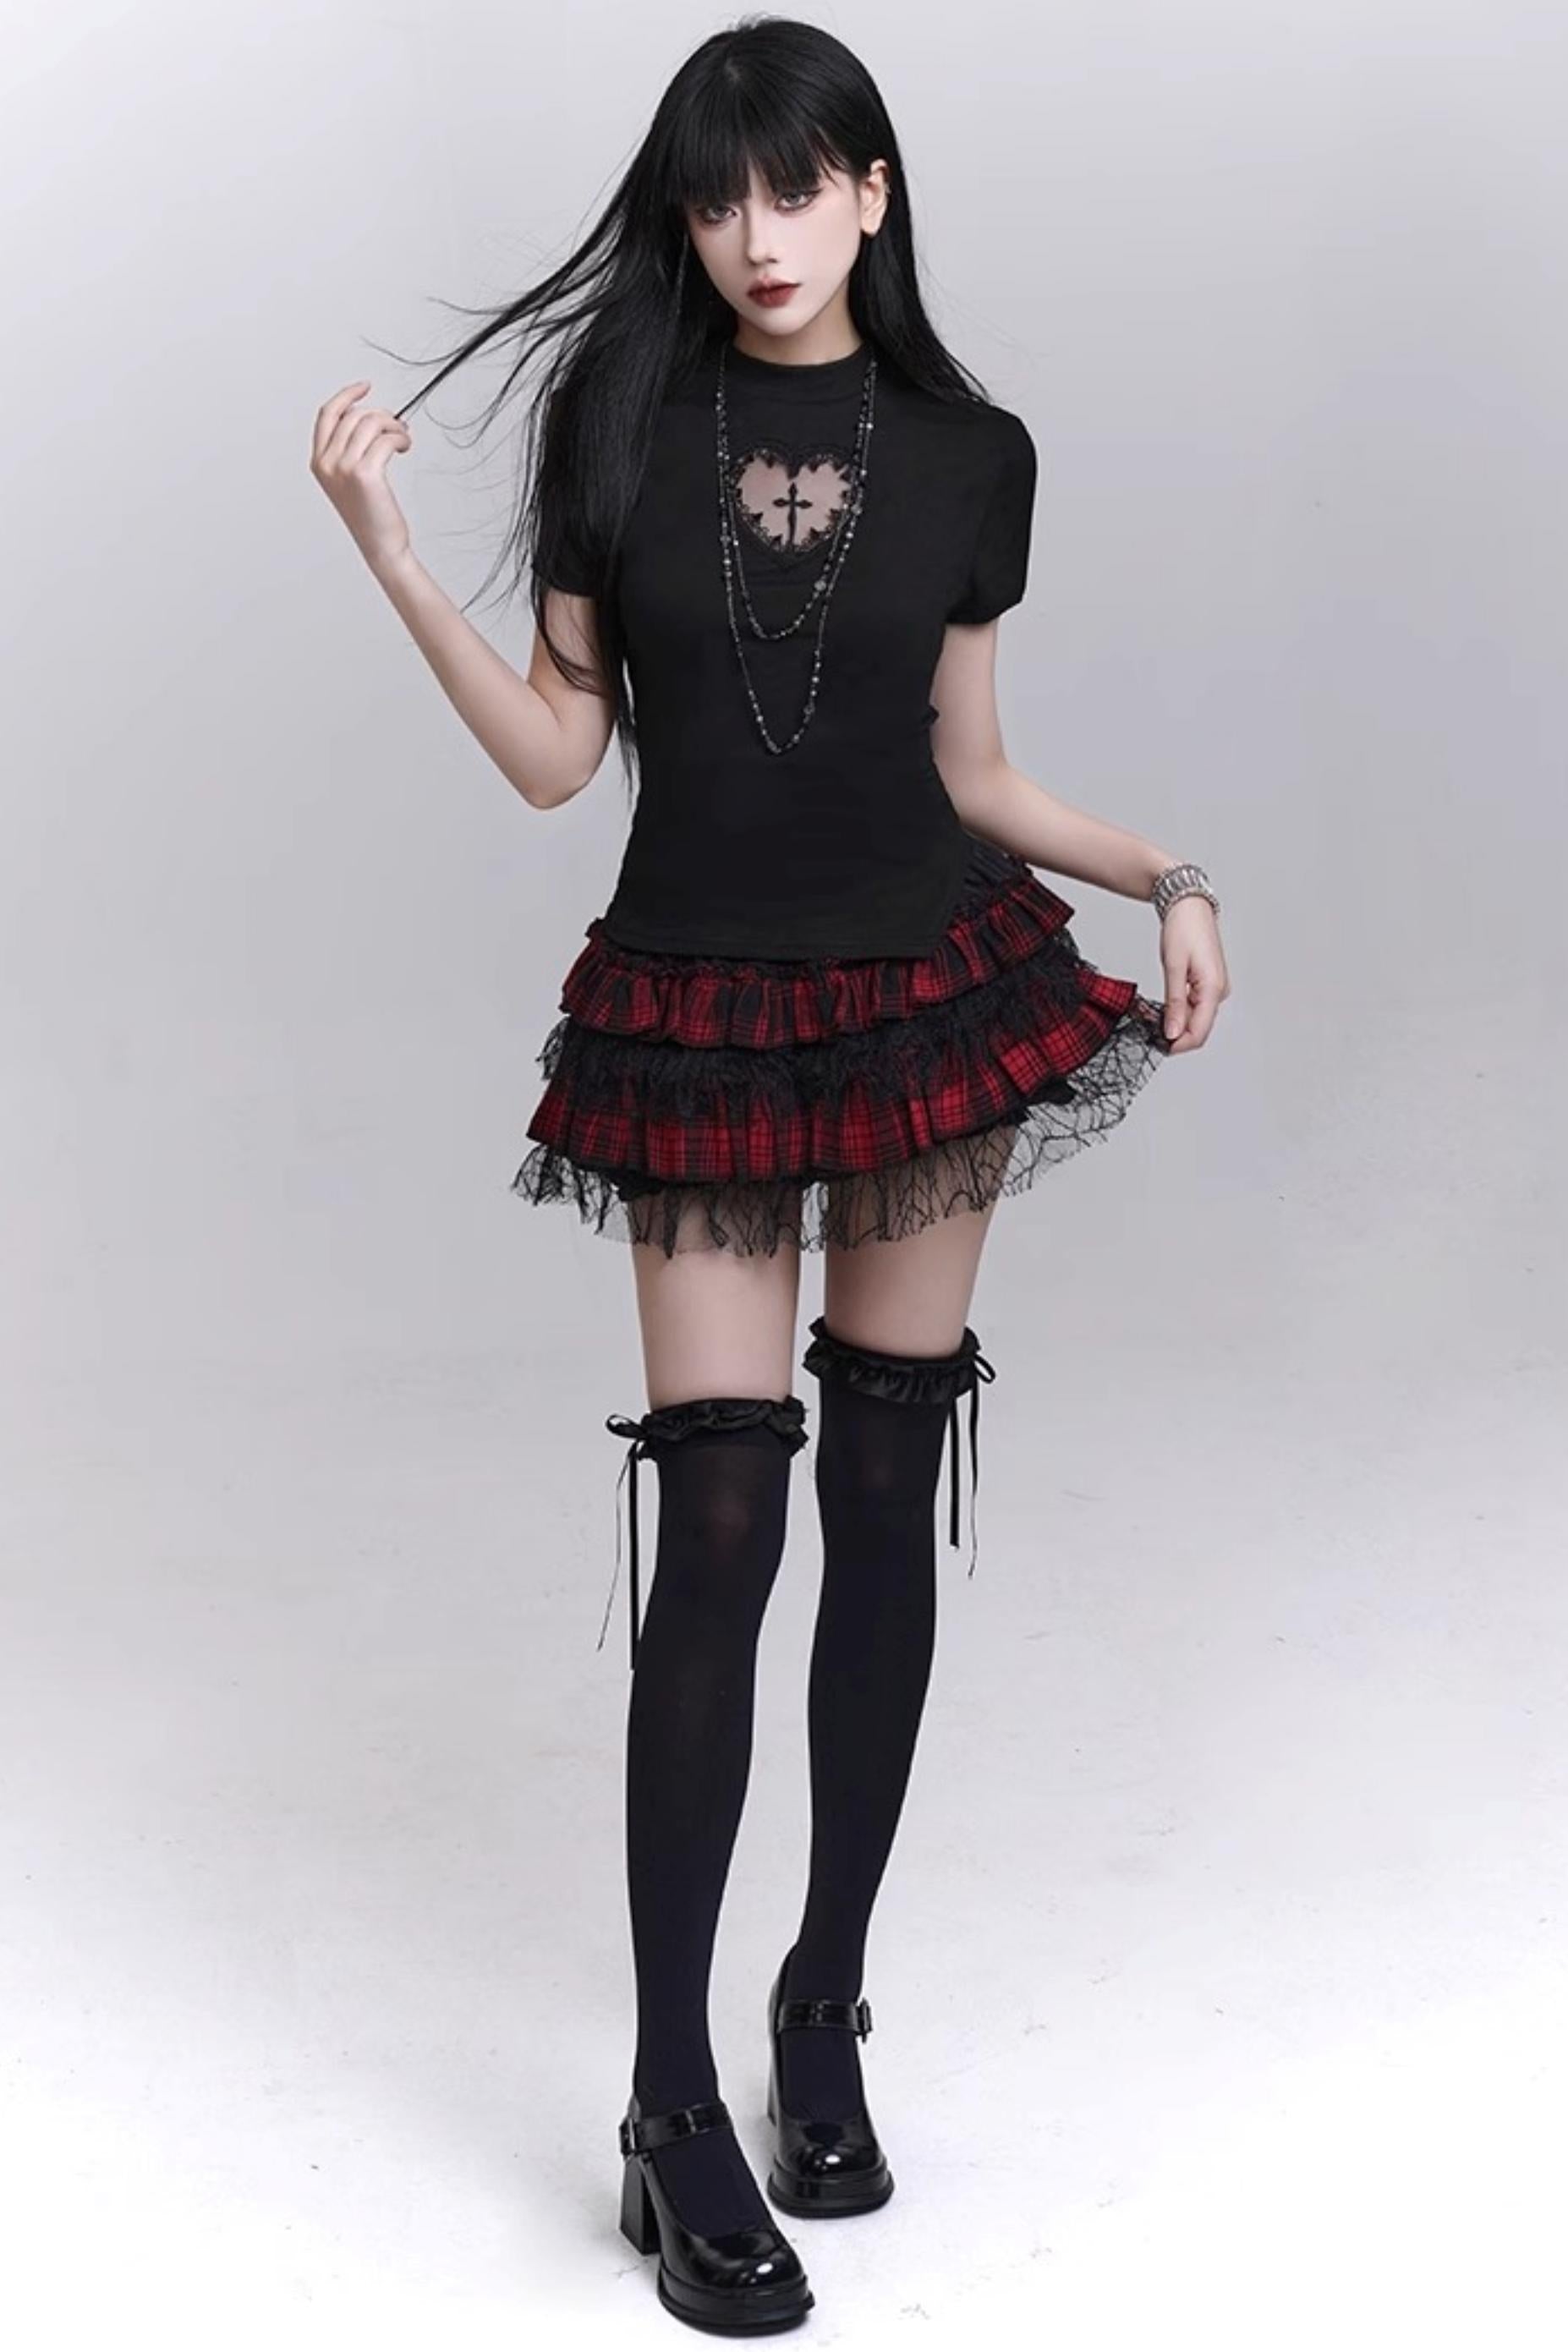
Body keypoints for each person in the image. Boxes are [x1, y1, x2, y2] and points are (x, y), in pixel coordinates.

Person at [311, 15, 1229, 2334]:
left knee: (884, 1497)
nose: (758, 234)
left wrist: (1167, 874)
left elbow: (977, 770)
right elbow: (558, 760)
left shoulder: (972, 453)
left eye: (798, 188)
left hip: (926, 997)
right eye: (720, 198)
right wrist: (391, 556)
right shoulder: (620, 422)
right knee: (720, 1524)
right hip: (703, 1011)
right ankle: (665, 2104)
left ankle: (822, 2009)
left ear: (871, 192)